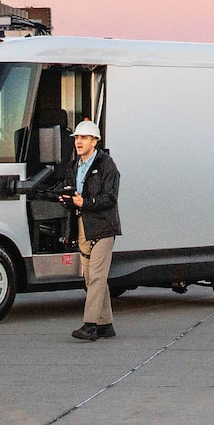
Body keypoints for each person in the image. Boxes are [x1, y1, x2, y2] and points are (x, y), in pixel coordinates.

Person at [61, 119, 121, 341]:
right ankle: (106, 324)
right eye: (77, 138)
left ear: (95, 141)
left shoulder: (107, 165)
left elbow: (110, 198)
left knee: (96, 275)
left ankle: (90, 324)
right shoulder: (75, 165)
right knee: (91, 277)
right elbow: (72, 192)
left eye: (84, 138)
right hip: (83, 226)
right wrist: (66, 199)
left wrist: (84, 203)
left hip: (104, 227)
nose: (79, 142)